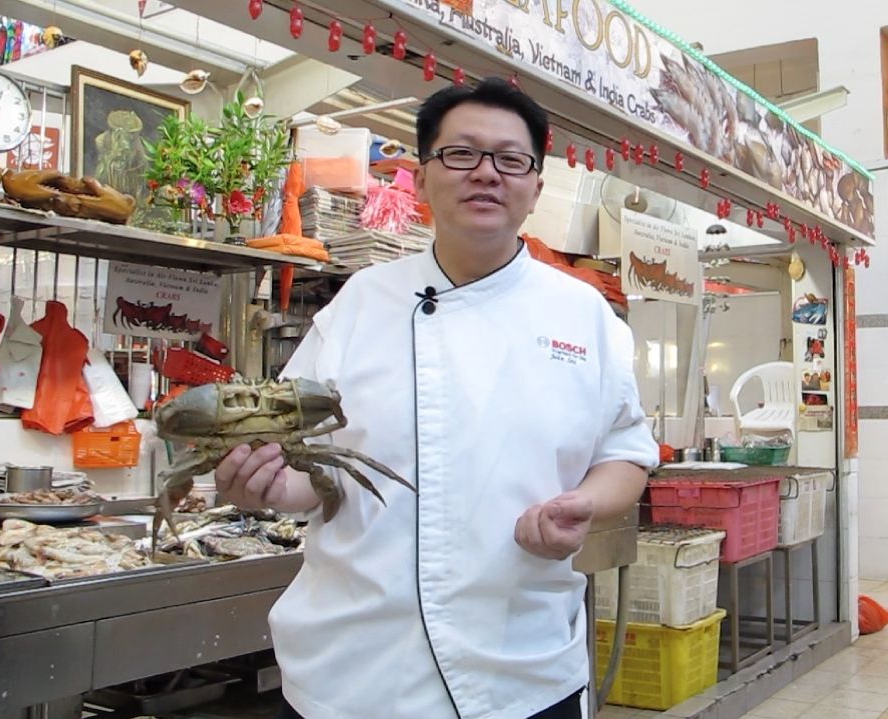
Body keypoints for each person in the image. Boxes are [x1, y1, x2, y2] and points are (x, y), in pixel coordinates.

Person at [214, 77, 659, 719]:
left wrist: (585, 503)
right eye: (461, 154)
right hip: (354, 673)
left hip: (523, 668)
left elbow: (626, 456)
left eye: (511, 159)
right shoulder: (360, 304)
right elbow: (309, 467)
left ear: (535, 188)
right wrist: (265, 487)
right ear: (419, 181)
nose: (486, 174)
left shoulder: (583, 314)